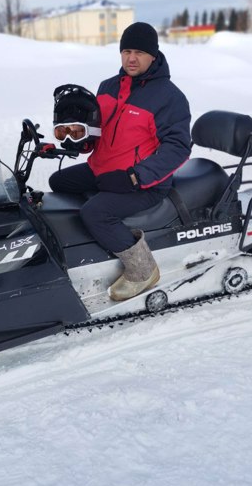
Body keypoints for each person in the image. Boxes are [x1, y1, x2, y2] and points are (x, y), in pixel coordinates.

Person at [49, 22, 191, 301]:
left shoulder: (169, 97)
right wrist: (76, 139)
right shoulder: (107, 87)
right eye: (126, 51)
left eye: (139, 51)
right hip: (104, 170)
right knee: (58, 182)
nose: (131, 58)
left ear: (154, 55)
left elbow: (177, 148)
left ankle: (143, 270)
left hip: (145, 183)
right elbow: (97, 133)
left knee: (95, 212)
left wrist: (135, 177)